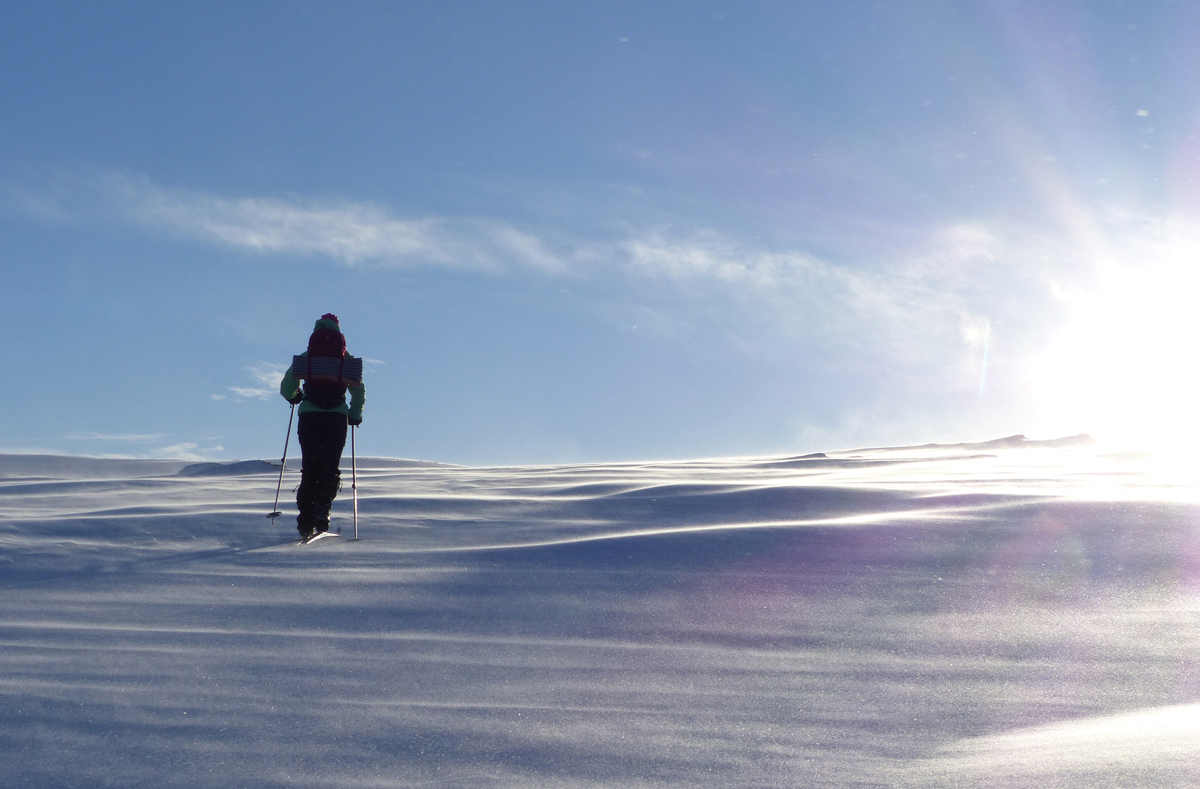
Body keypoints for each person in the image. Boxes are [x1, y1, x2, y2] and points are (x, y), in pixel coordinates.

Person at [279, 314, 365, 541]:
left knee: (310, 468)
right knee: (330, 468)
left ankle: (305, 521)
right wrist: (354, 415)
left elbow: (287, 386)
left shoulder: (306, 358)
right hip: (336, 419)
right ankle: (322, 512)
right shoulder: (347, 359)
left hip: (309, 417)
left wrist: (295, 396)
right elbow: (358, 390)